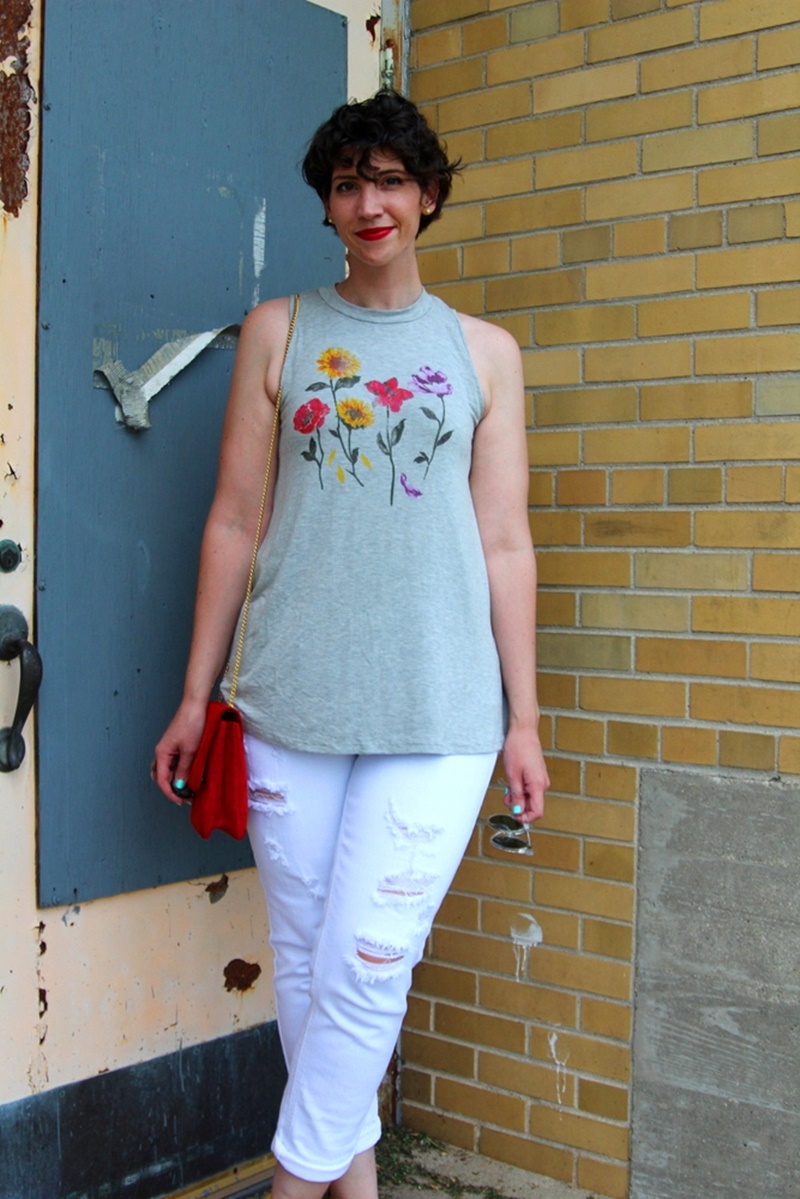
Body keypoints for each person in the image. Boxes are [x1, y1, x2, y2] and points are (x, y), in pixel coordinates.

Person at [154, 89, 549, 1199]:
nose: (368, 202)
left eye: (389, 180)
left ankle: (290, 1183)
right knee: (316, 968)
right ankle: (355, 1183)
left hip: (441, 709)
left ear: (426, 196)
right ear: (326, 205)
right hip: (290, 698)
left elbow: (503, 540)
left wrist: (523, 717)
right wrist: (196, 693)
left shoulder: (485, 352)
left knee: (371, 962)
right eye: (345, 183)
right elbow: (235, 518)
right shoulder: (280, 330)